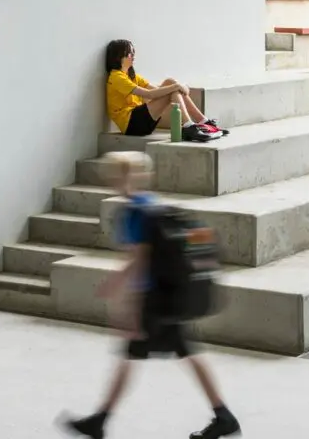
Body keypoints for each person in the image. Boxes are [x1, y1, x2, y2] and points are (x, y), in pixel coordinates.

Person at [59, 151, 241, 439]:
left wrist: (125, 303)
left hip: (153, 300)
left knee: (136, 355)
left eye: (118, 175)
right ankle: (223, 416)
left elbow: (139, 261)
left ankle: (100, 420)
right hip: (168, 296)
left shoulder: (133, 214)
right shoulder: (154, 206)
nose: (115, 181)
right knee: (183, 353)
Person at [106, 40, 228, 144]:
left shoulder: (131, 76)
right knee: (172, 88)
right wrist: (177, 86)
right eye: (129, 53)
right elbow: (149, 95)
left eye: (133, 53)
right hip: (132, 124)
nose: (133, 56)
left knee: (170, 82)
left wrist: (177, 86)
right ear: (118, 57)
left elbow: (156, 90)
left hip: (141, 120)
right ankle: (188, 127)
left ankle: (202, 121)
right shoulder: (116, 77)